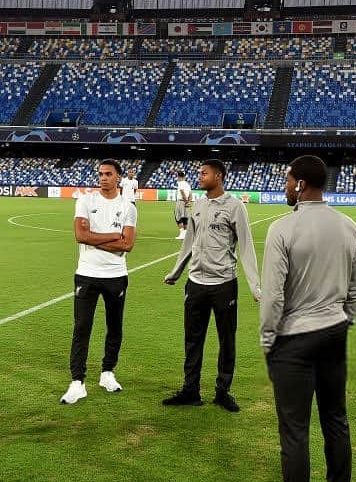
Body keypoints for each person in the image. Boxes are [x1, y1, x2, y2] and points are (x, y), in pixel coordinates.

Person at [254, 156, 356, 482]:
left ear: (300, 184)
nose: (285, 184)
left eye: (287, 178)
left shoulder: (283, 228)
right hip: (334, 334)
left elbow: (273, 297)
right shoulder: (349, 227)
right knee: (336, 420)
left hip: (295, 339)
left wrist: (269, 337)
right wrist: (341, 321)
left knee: (295, 429)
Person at [162, 159, 261, 412]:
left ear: (218, 176)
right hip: (195, 283)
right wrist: (176, 271)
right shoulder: (198, 204)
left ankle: (223, 391)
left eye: (204, 173)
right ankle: (190, 390)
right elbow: (190, 243)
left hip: (224, 284)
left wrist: (255, 285)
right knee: (192, 339)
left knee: (226, 339)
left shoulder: (235, 207)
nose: (200, 176)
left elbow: (246, 246)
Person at [61, 159, 138, 404]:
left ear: (118, 177)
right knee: (81, 327)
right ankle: (77, 382)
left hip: (116, 275)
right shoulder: (86, 200)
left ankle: (107, 372)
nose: (103, 178)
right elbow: (79, 235)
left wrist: (95, 238)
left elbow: (128, 244)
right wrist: (114, 235)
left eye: (108, 174)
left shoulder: (128, 206)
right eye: (100, 174)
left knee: (114, 327)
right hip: (87, 273)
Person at [174, 171, 192, 240]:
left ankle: (182, 233)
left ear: (178, 176)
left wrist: (185, 201)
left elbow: (182, 192)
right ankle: (185, 234)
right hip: (186, 202)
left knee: (177, 217)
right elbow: (190, 194)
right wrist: (188, 202)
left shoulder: (180, 183)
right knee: (185, 218)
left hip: (181, 202)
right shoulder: (187, 184)